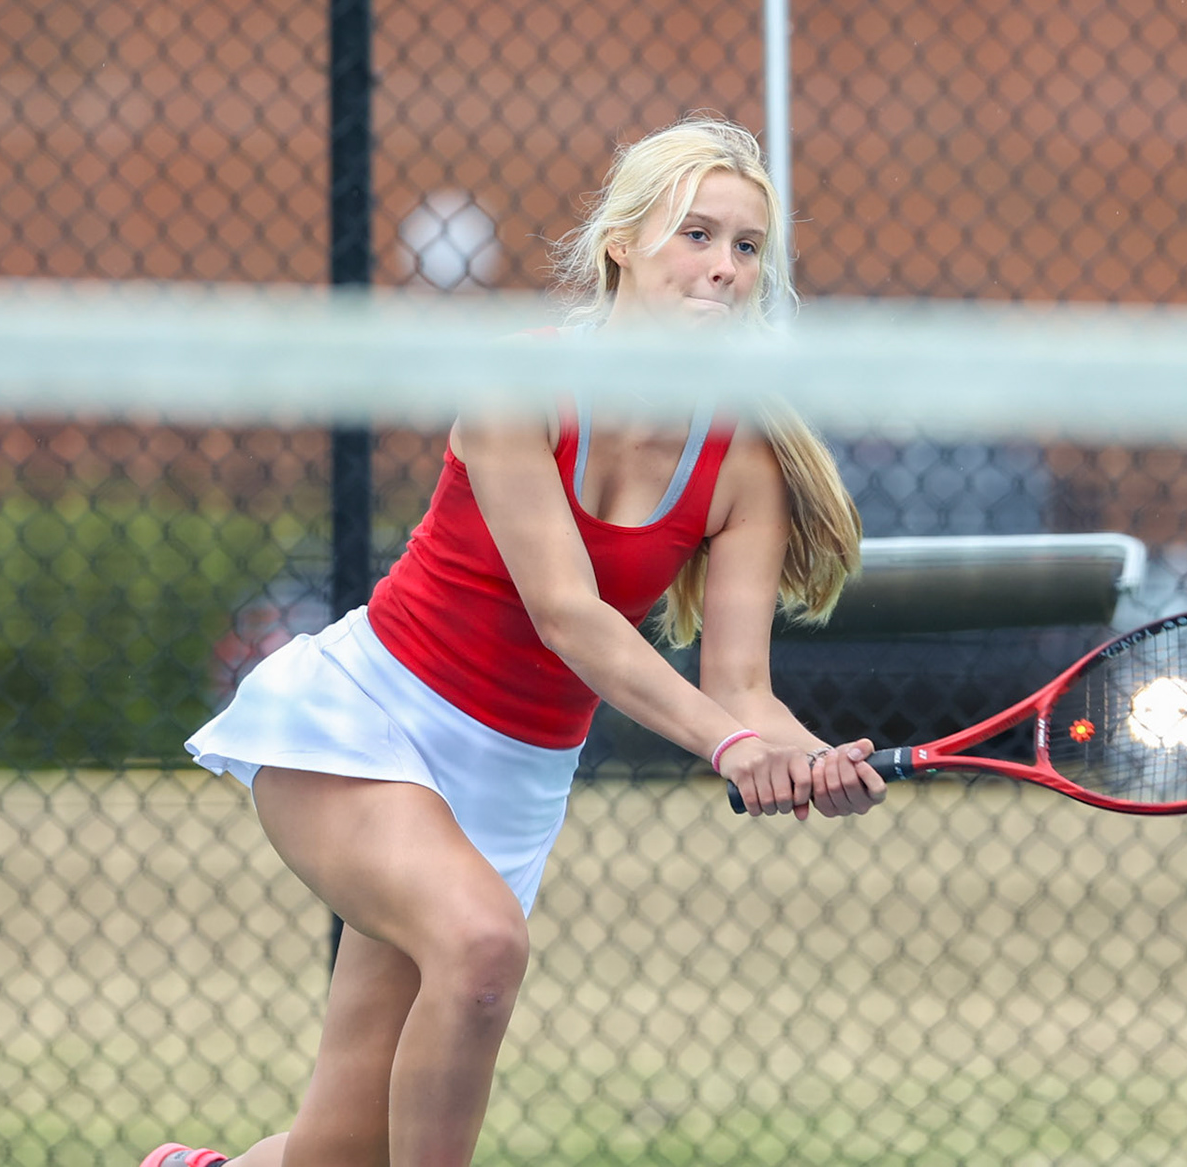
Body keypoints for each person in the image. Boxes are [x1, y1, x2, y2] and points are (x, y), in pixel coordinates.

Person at [142, 115, 886, 1167]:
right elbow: (568, 614)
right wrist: (727, 747)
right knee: (484, 944)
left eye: (747, 247)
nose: (723, 267)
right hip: (371, 720)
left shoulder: (742, 460)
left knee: (340, 1147)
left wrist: (803, 754)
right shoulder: (519, 383)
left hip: (510, 783)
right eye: (697, 234)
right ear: (623, 242)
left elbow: (741, 684)